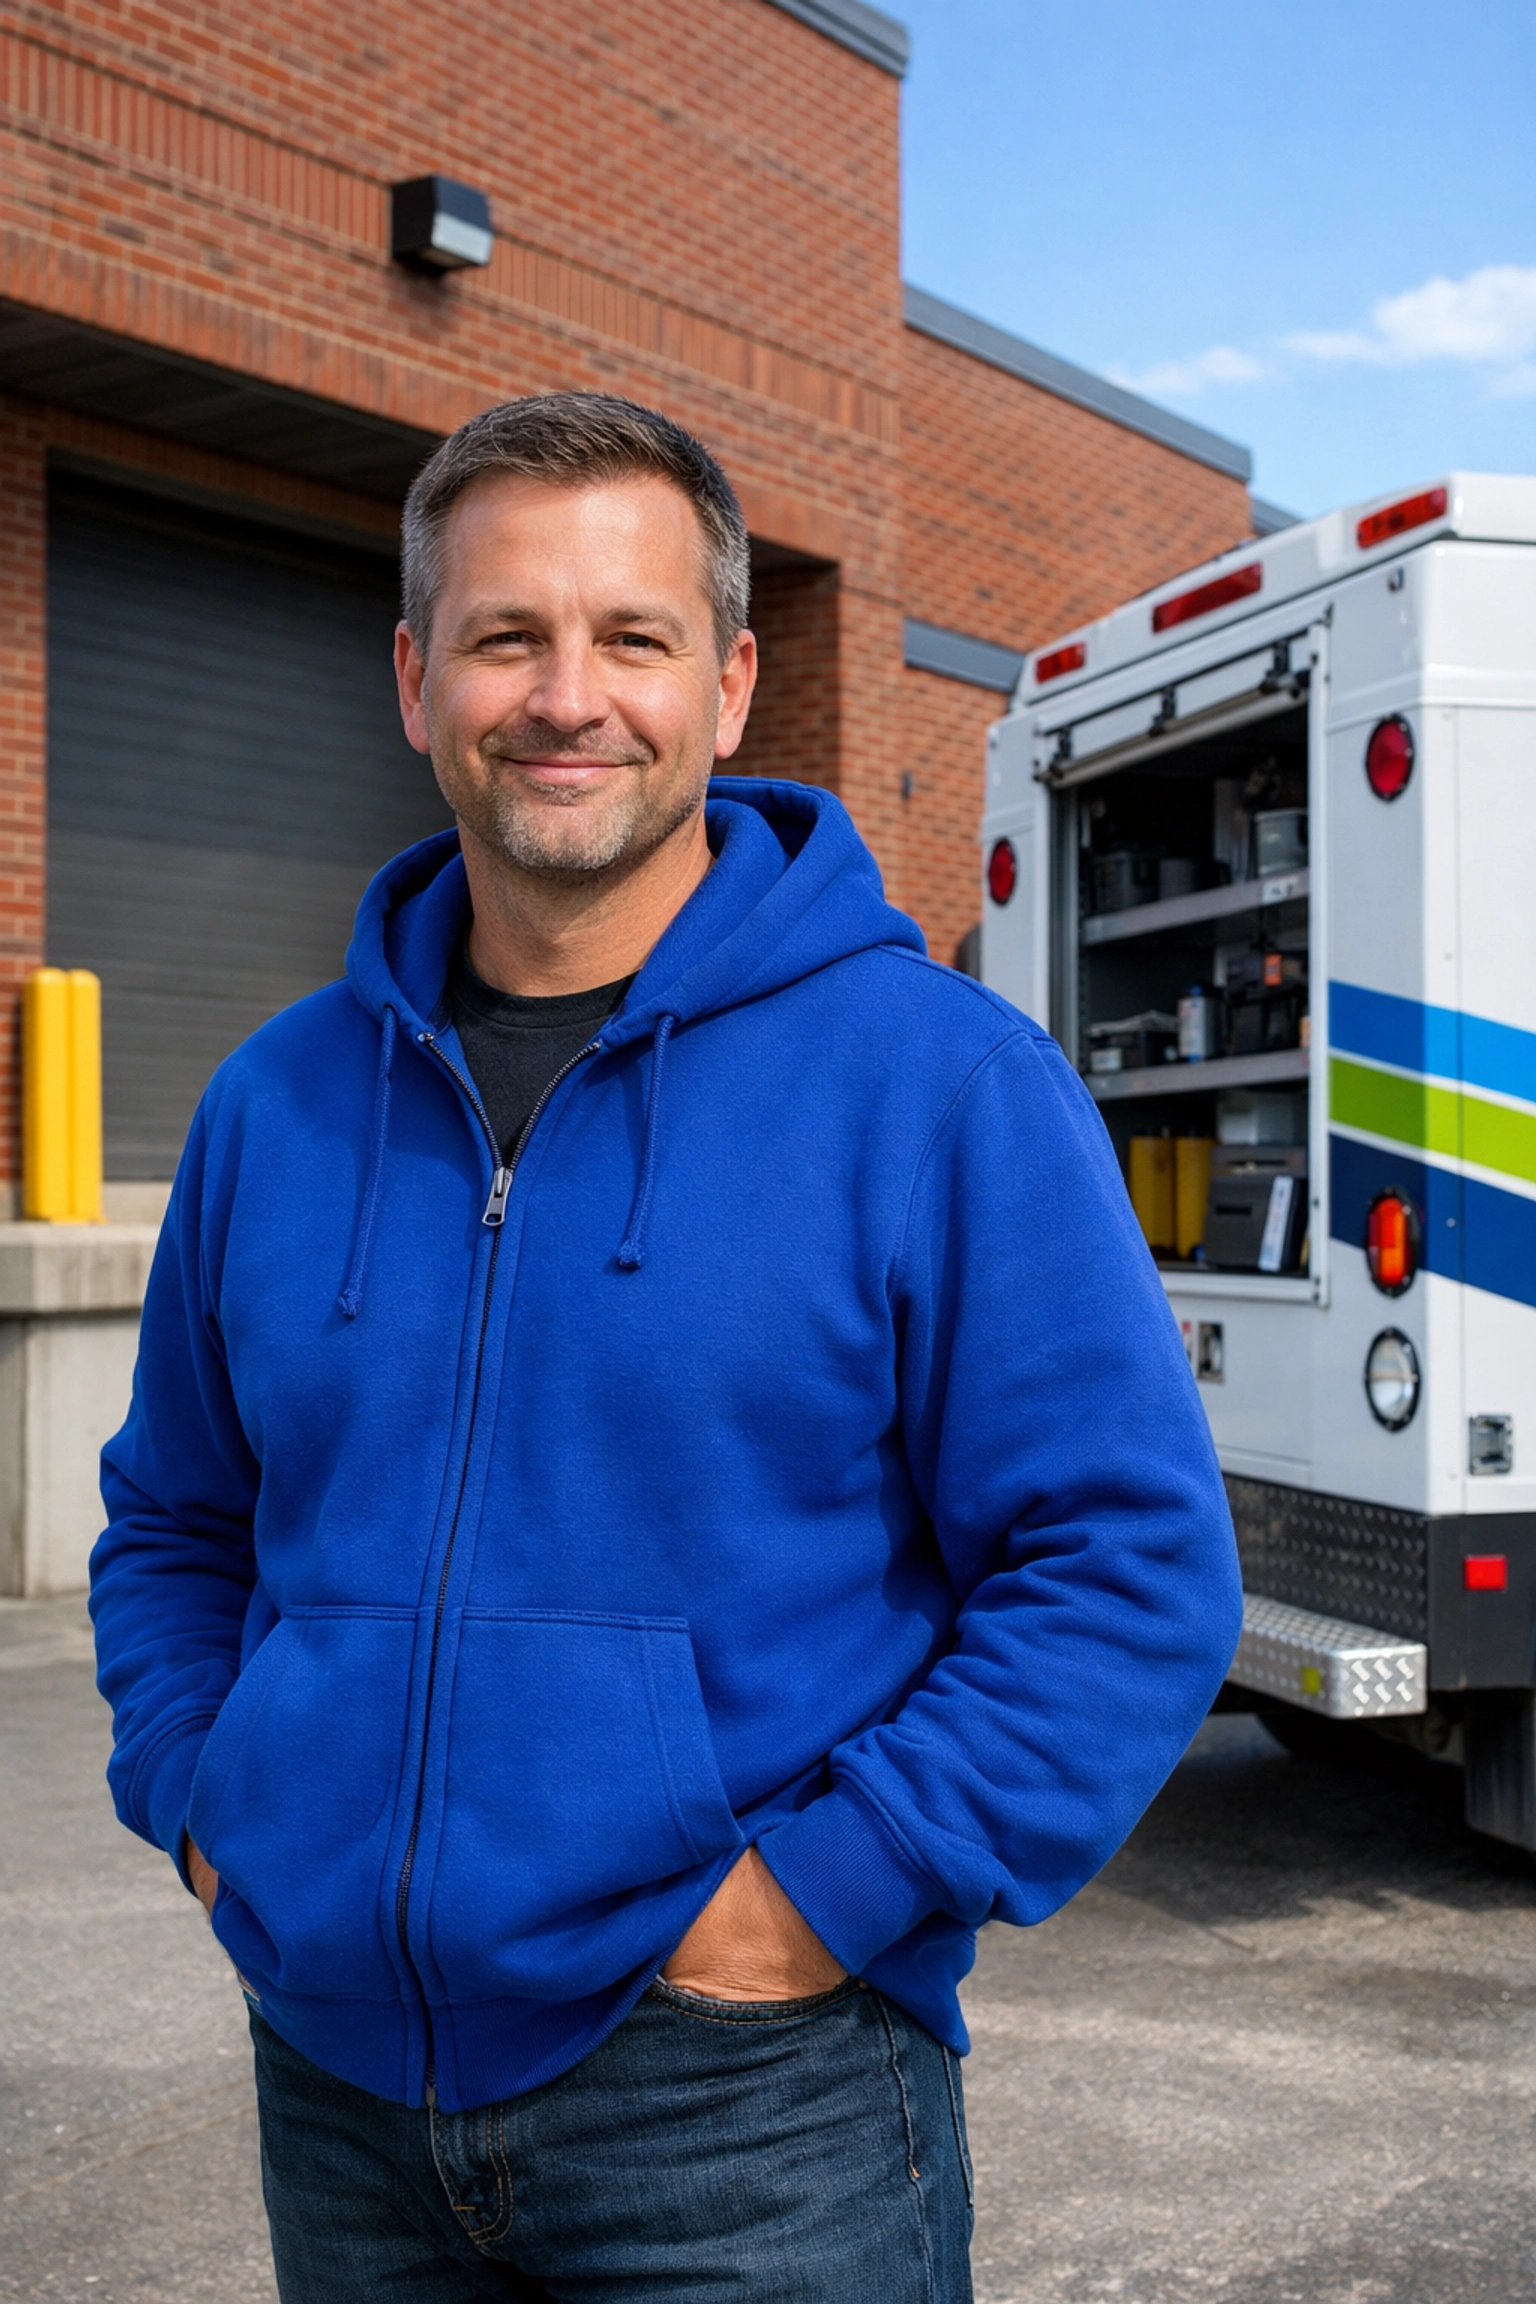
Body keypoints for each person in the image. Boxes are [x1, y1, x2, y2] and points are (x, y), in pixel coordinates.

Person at [90, 392, 1241, 2304]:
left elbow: (1126, 1567)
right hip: (338, 2092)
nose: (566, 697)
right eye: (505, 636)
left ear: (728, 685)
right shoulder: (271, 1108)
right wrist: (214, 1809)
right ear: (413, 677)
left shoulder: (938, 1086)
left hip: (751, 2115)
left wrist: (821, 1900)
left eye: (630, 637)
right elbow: (176, 1527)